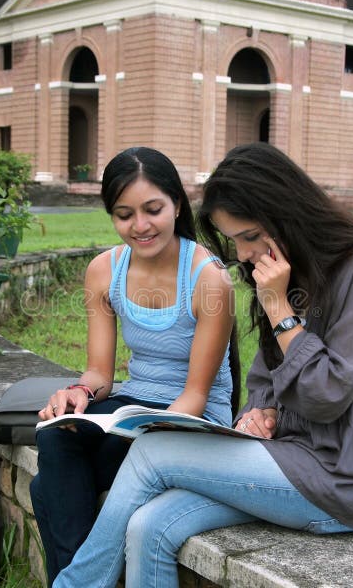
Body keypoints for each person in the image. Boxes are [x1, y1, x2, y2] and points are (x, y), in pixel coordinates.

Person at [52, 142, 353, 588]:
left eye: (248, 236)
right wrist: (256, 413)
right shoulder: (289, 268)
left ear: (285, 215)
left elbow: (327, 396)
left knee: (151, 452)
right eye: (235, 240)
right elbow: (263, 378)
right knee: (148, 526)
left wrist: (280, 309)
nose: (242, 254)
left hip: (347, 482)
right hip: (287, 457)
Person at [30, 146, 238, 585]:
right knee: (56, 435)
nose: (140, 226)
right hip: (132, 405)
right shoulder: (103, 271)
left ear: (177, 205)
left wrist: (148, 429)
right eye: (124, 214)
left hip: (190, 419)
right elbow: (100, 374)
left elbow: (195, 397)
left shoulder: (209, 277)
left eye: (153, 209)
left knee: (46, 489)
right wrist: (78, 395)